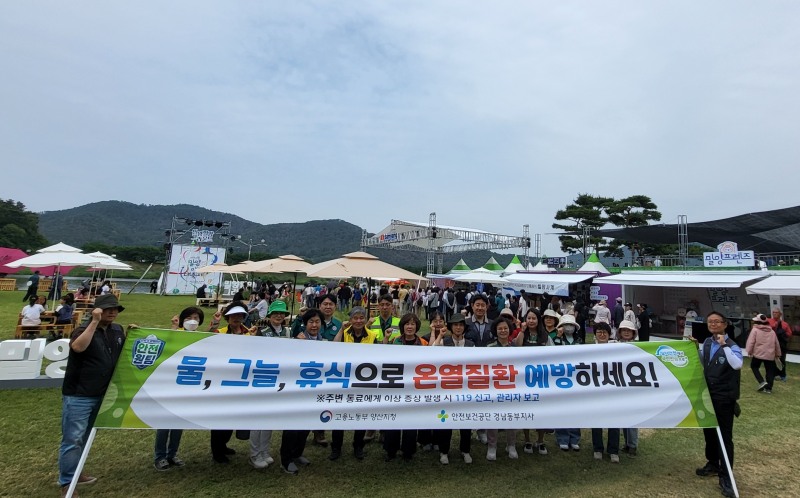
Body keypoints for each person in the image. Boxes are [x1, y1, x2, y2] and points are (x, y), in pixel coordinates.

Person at [58, 294, 127, 496]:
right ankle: (67, 482)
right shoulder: (83, 330)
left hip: (103, 393)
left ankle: (76, 472)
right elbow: (78, 347)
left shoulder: (117, 330)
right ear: (96, 311)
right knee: (73, 438)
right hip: (79, 394)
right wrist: (94, 322)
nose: (112, 312)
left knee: (86, 436)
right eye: (107, 309)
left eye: (115, 308)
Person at [694, 311, 742, 498]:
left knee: (724, 436)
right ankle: (713, 463)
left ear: (725, 324)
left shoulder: (732, 345)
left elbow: (737, 364)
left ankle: (726, 474)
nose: (713, 324)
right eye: (710, 322)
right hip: (708, 396)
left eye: (716, 322)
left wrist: (725, 346)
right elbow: (701, 360)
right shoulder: (706, 343)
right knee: (709, 431)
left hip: (724, 398)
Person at [153, 307, 203, 472]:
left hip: (187, 385)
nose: (192, 320)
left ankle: (172, 454)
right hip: (170, 385)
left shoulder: (201, 338)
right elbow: (166, 346)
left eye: (195, 317)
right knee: (164, 423)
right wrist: (174, 328)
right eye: (188, 317)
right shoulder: (176, 333)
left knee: (178, 423)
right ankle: (160, 456)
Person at [281, 309, 326, 475]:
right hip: (297, 390)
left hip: (313, 390)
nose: (314, 325)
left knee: (306, 425)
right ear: (305, 324)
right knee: (292, 427)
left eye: (317, 322)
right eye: (311, 322)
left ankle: (297, 453)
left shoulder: (323, 341)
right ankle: (286, 460)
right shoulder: (297, 341)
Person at [328, 306, 376, 461]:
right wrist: (341, 330)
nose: (358, 321)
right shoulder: (345, 334)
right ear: (350, 320)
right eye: (355, 318)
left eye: (362, 317)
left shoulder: (372, 336)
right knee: (339, 415)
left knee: (360, 415)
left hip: (364, 381)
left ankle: (358, 446)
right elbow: (333, 347)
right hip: (344, 380)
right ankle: (336, 448)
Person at [429, 313, 474, 464]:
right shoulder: (445, 341)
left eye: (461, 325)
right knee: (446, 422)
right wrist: (439, 335)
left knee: (466, 422)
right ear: (451, 327)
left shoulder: (470, 344)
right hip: (447, 388)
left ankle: (465, 450)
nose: (458, 327)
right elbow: (431, 351)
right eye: (455, 325)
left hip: (465, 388)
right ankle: (444, 451)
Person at [383, 314, 426, 462]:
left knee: (411, 420)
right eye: (407, 324)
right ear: (402, 326)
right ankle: (391, 450)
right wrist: (386, 339)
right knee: (393, 419)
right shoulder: (395, 341)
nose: (410, 327)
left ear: (417, 326)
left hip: (414, 388)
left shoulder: (423, 343)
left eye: (413, 324)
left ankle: (408, 450)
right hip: (396, 386)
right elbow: (383, 358)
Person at [515, 308, 552, 455]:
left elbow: (552, 355)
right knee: (527, 409)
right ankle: (527, 440)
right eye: (529, 318)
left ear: (538, 320)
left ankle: (541, 440)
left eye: (534, 318)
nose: (531, 321)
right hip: (524, 379)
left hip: (541, 379)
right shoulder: (522, 334)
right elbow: (516, 348)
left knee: (541, 410)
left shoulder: (545, 336)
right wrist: (522, 331)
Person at [486, 318, 518, 461]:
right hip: (494, 388)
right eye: (500, 328)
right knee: (493, 417)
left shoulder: (515, 349)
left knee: (511, 416)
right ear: (495, 331)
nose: (503, 331)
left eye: (505, 328)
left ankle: (511, 445)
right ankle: (492, 445)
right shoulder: (490, 348)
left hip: (511, 388)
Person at [590, 322, 621, 463]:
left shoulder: (616, 349)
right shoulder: (589, 350)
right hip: (596, 391)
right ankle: (598, 448)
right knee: (596, 420)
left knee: (614, 421)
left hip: (612, 390)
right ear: (595, 334)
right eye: (599, 332)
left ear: (609, 335)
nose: (602, 335)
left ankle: (613, 450)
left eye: (605, 332)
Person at [553, 313, 582, 452]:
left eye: (571, 325)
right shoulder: (557, 339)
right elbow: (554, 353)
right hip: (560, 377)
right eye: (566, 325)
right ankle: (562, 438)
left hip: (576, 377)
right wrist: (558, 337)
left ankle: (574, 438)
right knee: (561, 408)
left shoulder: (579, 340)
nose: (569, 328)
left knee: (575, 409)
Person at [617, 320, 639, 457]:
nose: (626, 332)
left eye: (628, 330)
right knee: (623, 416)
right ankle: (627, 443)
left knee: (632, 417)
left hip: (632, 386)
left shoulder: (639, 347)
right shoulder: (613, 345)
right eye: (623, 330)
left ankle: (632, 445)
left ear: (633, 333)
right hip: (618, 386)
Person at [745, 314, 781, 394]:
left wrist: (749, 351)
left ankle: (761, 382)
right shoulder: (772, 331)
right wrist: (778, 353)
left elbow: (751, 341)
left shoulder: (755, 330)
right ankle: (769, 388)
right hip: (770, 354)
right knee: (770, 371)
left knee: (754, 366)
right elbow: (776, 343)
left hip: (758, 353)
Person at [767, 308, 792, 381]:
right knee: (771, 360)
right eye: (773, 312)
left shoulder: (784, 324)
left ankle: (782, 375)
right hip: (771, 344)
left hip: (781, 345)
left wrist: (782, 333)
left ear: (780, 314)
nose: (774, 313)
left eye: (776, 312)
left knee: (781, 360)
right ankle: (773, 374)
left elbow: (789, 333)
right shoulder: (768, 321)